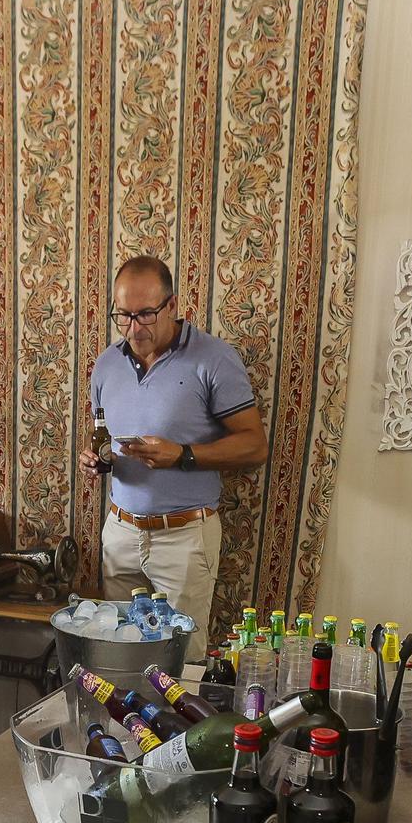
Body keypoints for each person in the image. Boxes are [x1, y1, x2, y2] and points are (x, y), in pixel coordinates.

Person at [78, 256, 266, 657]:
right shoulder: (107, 364)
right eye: (123, 316)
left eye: (145, 314)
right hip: (120, 531)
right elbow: (103, 435)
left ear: (173, 306)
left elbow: (254, 445)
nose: (134, 328)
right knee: (120, 651)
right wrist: (99, 460)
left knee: (180, 659)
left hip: (184, 537)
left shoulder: (213, 358)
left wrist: (182, 454)